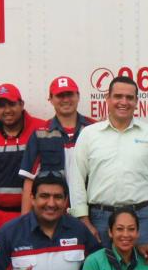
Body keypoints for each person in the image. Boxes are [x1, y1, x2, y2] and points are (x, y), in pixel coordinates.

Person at [68, 75, 148, 263]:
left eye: (129, 97)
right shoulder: (89, 135)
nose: (123, 102)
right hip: (99, 219)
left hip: (141, 218)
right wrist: (83, 219)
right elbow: (76, 178)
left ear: (136, 102)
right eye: (118, 96)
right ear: (107, 99)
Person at [0, 83, 43, 242]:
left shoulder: (41, 128)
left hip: (37, 215)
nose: (7, 110)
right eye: (1, 105)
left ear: (21, 104)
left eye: (12, 104)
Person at [19, 76, 93, 211]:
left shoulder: (94, 129)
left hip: (90, 212)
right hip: (54, 212)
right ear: (51, 99)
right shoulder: (40, 134)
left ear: (78, 96)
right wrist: (25, 223)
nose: (65, 100)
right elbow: (29, 181)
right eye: (60, 95)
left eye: (69, 94)